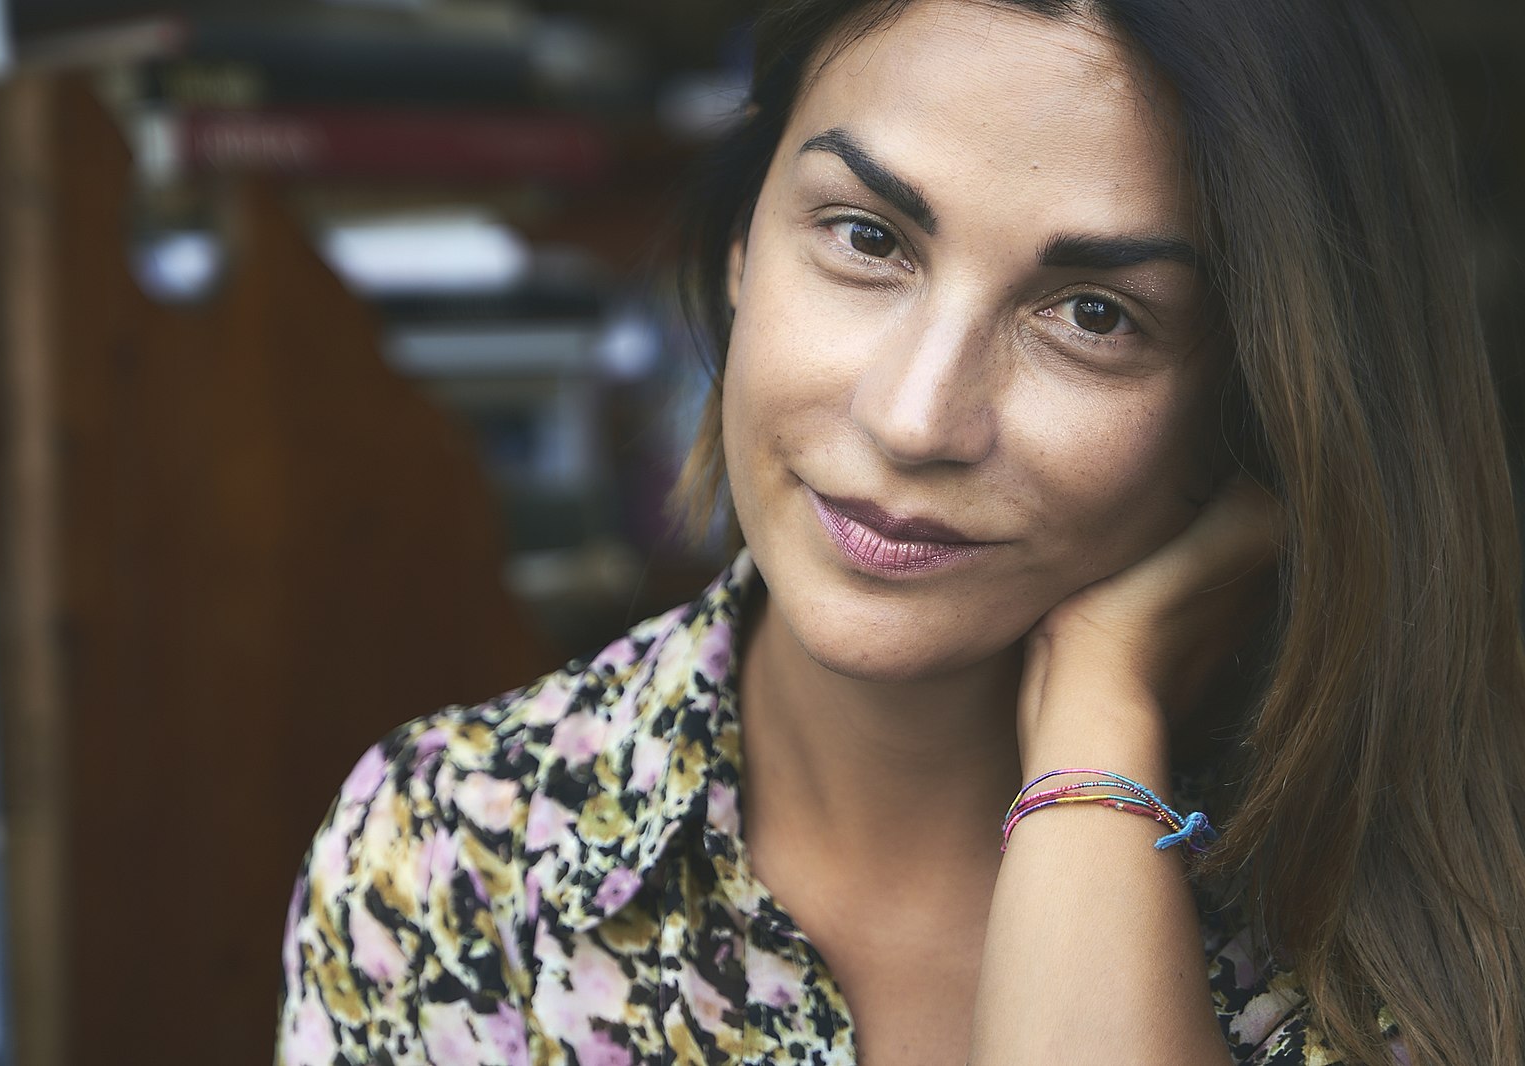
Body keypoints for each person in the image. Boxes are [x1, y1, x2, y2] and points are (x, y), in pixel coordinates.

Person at [274, 0, 1525, 1063]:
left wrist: (1095, 734)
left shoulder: (1416, 926)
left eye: (1092, 314)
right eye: (867, 238)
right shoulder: (452, 854)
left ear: (1252, 400)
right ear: (735, 251)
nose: (917, 415)